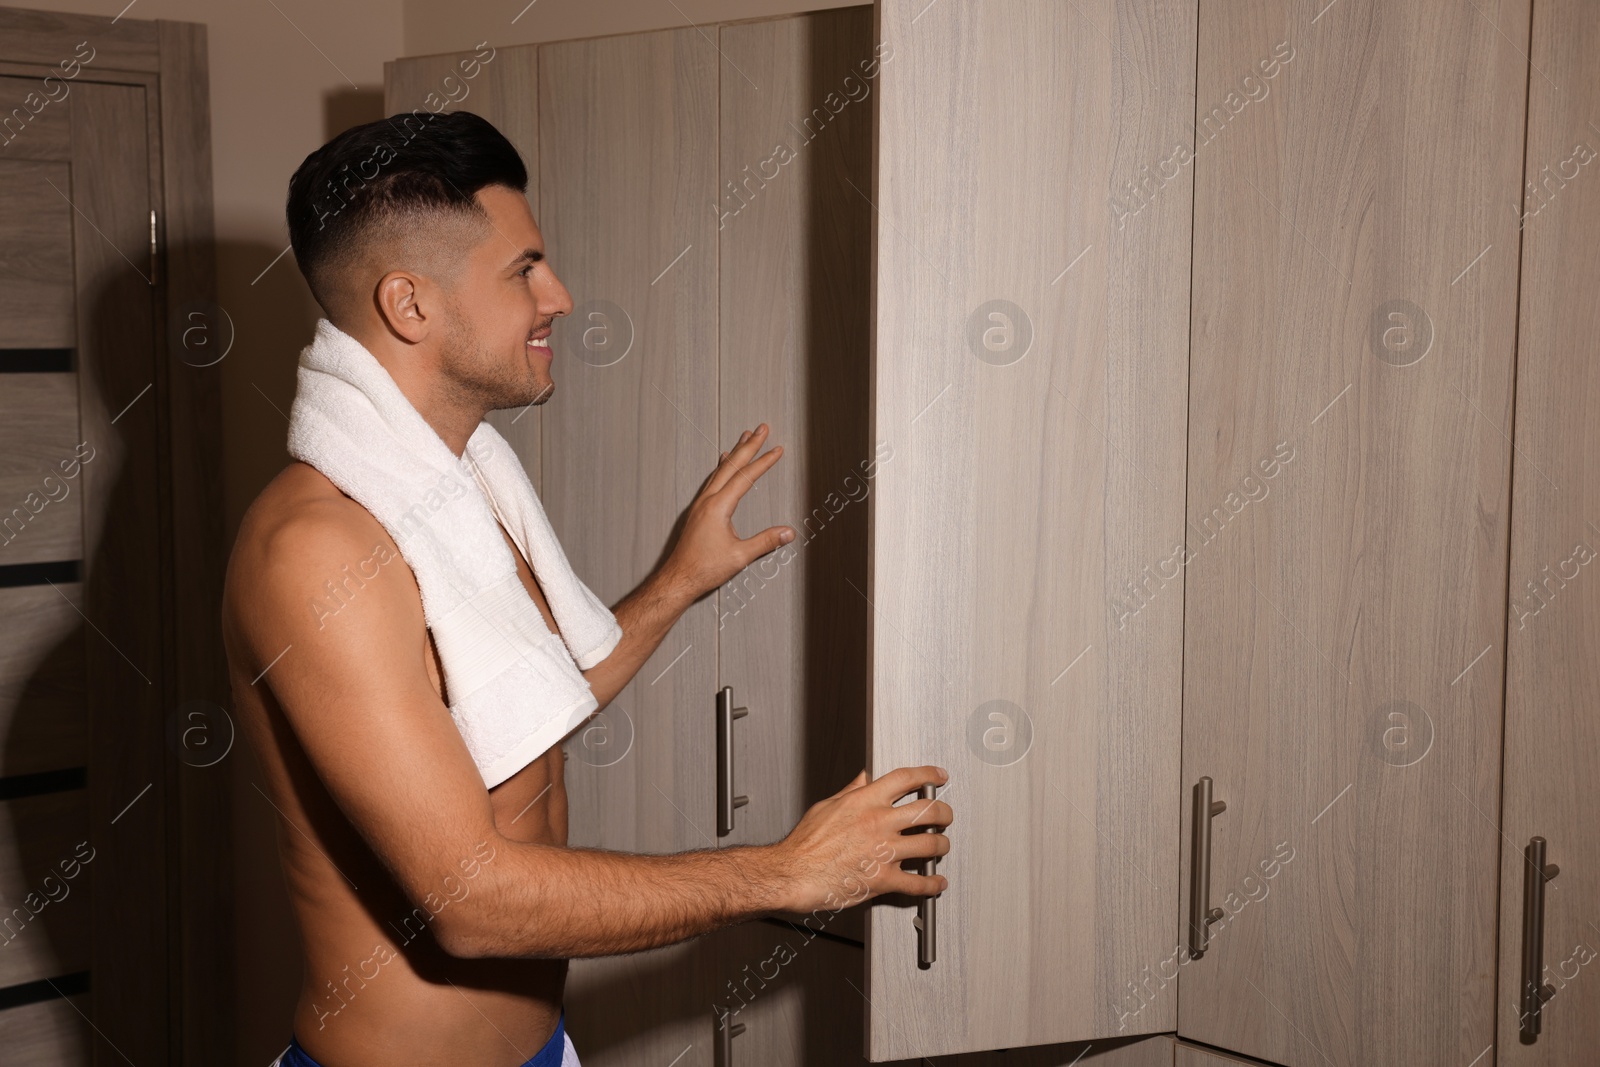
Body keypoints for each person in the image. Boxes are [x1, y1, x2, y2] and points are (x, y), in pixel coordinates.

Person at [222, 109, 951, 1067]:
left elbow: (521, 715)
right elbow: (472, 903)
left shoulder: (451, 489)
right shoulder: (317, 552)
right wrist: (789, 871)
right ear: (410, 304)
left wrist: (677, 582)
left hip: (544, 1047)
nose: (558, 297)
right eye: (523, 269)